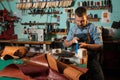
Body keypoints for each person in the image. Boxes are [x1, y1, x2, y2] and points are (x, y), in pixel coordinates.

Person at [64, 7, 104, 80]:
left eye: (82, 21)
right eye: (77, 21)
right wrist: (72, 41)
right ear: (75, 18)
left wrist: (86, 45)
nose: (79, 23)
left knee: (99, 78)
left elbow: (100, 46)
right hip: (75, 58)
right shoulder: (73, 29)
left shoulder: (93, 28)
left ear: (87, 17)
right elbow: (65, 44)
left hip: (90, 58)